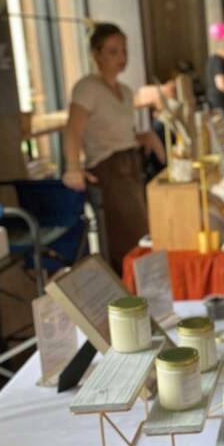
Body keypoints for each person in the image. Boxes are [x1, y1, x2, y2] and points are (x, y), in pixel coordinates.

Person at [63, 22, 164, 274]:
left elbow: (121, 134)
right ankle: (130, 298)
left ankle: (141, 294)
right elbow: (73, 130)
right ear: (96, 55)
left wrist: (145, 137)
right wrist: (73, 167)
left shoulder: (126, 92)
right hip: (108, 168)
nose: (121, 57)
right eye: (113, 51)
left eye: (124, 50)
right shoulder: (87, 88)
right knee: (128, 239)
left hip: (131, 165)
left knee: (141, 233)